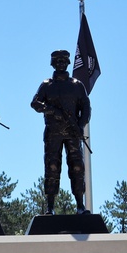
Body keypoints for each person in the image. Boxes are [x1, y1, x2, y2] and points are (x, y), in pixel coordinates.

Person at [30, 50, 92, 214]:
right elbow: (35, 103)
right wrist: (50, 110)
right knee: (52, 168)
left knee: (77, 167)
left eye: (63, 61)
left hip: (72, 133)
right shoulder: (47, 85)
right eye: (57, 61)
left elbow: (86, 108)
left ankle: (80, 205)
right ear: (53, 63)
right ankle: (50, 207)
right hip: (53, 133)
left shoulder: (77, 85)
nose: (60, 64)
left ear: (68, 63)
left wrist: (80, 125)